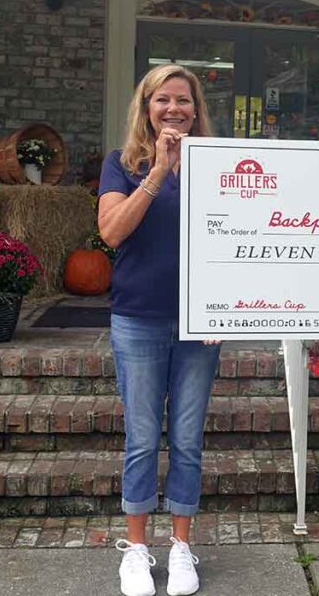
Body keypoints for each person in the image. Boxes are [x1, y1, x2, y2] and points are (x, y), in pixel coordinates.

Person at [98, 63, 221, 596]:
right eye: (163, 100)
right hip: (140, 317)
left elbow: (233, 243)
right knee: (143, 440)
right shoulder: (120, 164)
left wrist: (226, 308)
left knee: (188, 440)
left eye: (184, 101)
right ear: (145, 108)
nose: (174, 109)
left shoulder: (218, 165)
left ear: (197, 110)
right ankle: (137, 550)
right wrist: (158, 173)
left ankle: (182, 547)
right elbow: (111, 232)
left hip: (199, 323)